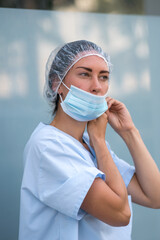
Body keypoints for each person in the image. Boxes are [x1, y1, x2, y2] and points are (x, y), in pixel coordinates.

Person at [19, 40, 160, 240]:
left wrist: (129, 132)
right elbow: (120, 214)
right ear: (56, 83)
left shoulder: (88, 144)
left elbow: (154, 196)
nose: (96, 87)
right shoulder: (48, 147)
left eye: (103, 77)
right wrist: (99, 141)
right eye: (85, 74)